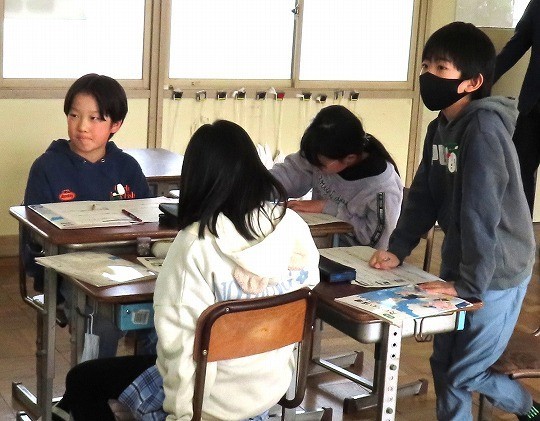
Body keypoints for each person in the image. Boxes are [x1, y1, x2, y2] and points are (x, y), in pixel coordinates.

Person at [50, 120, 320, 421]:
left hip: (210, 400)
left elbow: (180, 351)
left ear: (196, 179)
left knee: (83, 379)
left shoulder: (194, 243)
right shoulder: (293, 226)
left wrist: (182, 417)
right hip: (268, 387)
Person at [369, 22, 538, 421]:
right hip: (462, 263)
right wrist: (397, 248)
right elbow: (423, 195)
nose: (428, 75)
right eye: (426, 65)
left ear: (473, 82)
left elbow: (482, 212)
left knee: (466, 371)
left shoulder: (484, 129)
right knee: (443, 364)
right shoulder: (439, 128)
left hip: (497, 272)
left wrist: (469, 286)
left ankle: (528, 407)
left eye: (441, 68)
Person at [23, 73, 154, 358]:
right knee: (100, 321)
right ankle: (90, 384)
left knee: (167, 312)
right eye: (74, 115)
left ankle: (146, 381)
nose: (82, 126)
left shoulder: (128, 168)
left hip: (129, 271)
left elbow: (149, 225)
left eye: (95, 118)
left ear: (115, 124)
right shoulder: (47, 167)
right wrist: (43, 280)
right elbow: (31, 237)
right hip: (70, 275)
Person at [270, 104, 403, 249]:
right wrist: (256, 188)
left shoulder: (383, 188)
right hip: (319, 245)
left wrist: (327, 208)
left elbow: (376, 241)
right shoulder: (320, 154)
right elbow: (287, 176)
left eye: (320, 164)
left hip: (355, 257)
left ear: (349, 158)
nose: (314, 166)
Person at [493, 0, 540, 214]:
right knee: (519, 175)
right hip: (533, 107)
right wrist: (481, 81)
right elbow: (516, 45)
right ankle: (521, 233)